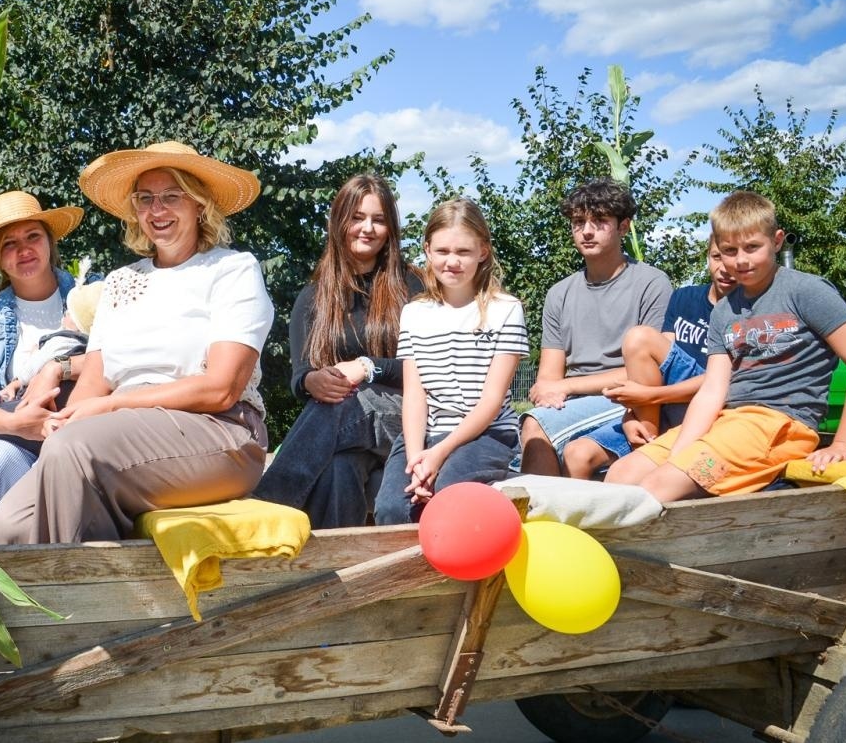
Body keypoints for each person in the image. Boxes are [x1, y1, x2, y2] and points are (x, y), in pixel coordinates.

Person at [0, 141, 273, 544]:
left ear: (199, 204)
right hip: (122, 433)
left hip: (220, 431)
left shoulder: (232, 269)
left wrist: (111, 406)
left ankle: (76, 583)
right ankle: (104, 576)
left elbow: (221, 388)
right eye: (145, 198)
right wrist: (65, 420)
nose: (157, 210)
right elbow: (94, 381)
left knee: (74, 452)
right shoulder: (120, 281)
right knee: (7, 526)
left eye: (172, 196)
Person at [607, 190, 846, 501]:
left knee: (657, 487)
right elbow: (712, 390)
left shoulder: (805, 291)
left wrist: (844, 444)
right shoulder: (724, 311)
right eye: (729, 250)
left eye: (752, 247)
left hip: (781, 424)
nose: (740, 260)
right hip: (729, 420)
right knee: (621, 476)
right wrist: (678, 453)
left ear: (776, 241)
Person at [252, 174, 422, 527]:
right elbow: (300, 375)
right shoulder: (312, 297)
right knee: (338, 469)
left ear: (391, 229)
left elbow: (427, 365)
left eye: (378, 219)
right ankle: (334, 561)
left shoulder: (412, 285)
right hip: (346, 428)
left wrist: (368, 367)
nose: (368, 228)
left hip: (409, 419)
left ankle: (264, 511)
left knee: (351, 401)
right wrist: (312, 381)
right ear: (339, 221)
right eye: (357, 217)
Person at [0, 190, 90, 545]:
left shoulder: (90, 295)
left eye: (32, 236)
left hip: (84, 432)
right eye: (10, 243)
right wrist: (16, 424)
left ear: (50, 242)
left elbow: (124, 355)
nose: (23, 250)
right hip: (22, 449)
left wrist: (59, 367)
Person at [375, 199, 529, 523]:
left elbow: (491, 401)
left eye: (463, 252)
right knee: (392, 508)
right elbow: (415, 395)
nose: (452, 261)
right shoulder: (414, 313)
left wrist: (439, 454)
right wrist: (417, 458)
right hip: (428, 432)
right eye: (443, 251)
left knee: (448, 494)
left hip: (486, 433)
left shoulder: (505, 309)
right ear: (428, 251)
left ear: (483, 251)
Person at [519, 179, 673, 478]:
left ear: (623, 227)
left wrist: (566, 387)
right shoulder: (559, 293)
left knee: (535, 425)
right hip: (576, 402)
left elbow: (651, 371)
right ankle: (547, 505)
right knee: (537, 424)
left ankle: (541, 507)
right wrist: (551, 392)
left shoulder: (652, 284)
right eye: (579, 222)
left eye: (600, 221)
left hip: (629, 398)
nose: (587, 231)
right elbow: (548, 376)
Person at [600, 237, 737, 447]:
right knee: (578, 453)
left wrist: (649, 396)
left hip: (712, 403)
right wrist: (630, 413)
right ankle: (647, 437)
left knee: (639, 338)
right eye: (717, 257)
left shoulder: (748, 310)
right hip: (666, 402)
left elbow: (723, 381)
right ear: (707, 257)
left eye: (732, 257)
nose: (724, 268)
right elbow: (660, 363)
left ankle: (646, 446)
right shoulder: (684, 297)